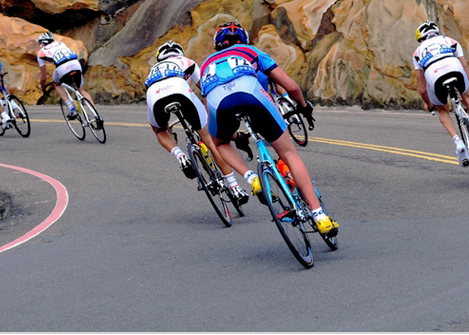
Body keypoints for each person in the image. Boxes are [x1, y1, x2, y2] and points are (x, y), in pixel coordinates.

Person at [200, 22, 338, 237]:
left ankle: (250, 178)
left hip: (219, 102)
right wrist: (304, 107)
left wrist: (232, 135)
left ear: (217, 44)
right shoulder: (251, 51)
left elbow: (209, 108)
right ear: (244, 39)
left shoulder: (206, 64)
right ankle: (319, 216)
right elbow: (290, 86)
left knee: (219, 142)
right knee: (289, 153)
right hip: (252, 94)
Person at [145, 40, 250, 205]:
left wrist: (167, 131)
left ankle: (180, 155)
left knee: (158, 130)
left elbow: (157, 106)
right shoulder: (187, 62)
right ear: (180, 53)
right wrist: (211, 114)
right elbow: (205, 88)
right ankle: (234, 187)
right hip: (180, 89)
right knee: (209, 140)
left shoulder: (153, 70)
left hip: (154, 93)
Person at [412, 20, 469, 167]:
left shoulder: (418, 52)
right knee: (466, 97)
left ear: (421, 39)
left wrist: (430, 105)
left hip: (434, 75)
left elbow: (422, 89)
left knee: (443, 109)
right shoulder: (450, 41)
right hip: (455, 68)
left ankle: (458, 142)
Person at [37, 32, 101, 127]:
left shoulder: (41, 53)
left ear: (42, 43)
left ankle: (71, 108)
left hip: (62, 68)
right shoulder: (60, 43)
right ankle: (96, 115)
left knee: (57, 84)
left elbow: (43, 77)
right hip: (76, 63)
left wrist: (42, 86)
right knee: (82, 90)